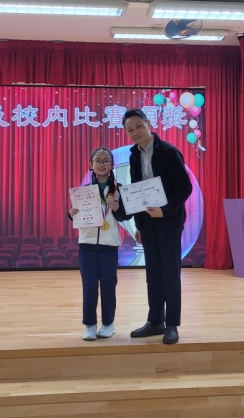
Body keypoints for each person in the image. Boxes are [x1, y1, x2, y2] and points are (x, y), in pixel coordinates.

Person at [122, 108, 193, 345]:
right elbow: (137, 192)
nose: (135, 132)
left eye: (138, 126)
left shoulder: (169, 152)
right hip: (147, 223)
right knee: (153, 275)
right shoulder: (134, 155)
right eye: (130, 130)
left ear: (148, 124)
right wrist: (139, 225)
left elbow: (184, 188)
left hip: (169, 222)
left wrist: (165, 210)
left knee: (170, 273)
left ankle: (171, 324)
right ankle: (155, 321)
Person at [69, 147, 130, 341]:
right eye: (98, 160)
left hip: (109, 245)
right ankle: (90, 325)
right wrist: (71, 214)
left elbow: (125, 216)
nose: (102, 164)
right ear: (91, 164)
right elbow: (76, 215)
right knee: (89, 286)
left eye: (106, 161)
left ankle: (108, 324)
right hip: (87, 245)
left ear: (112, 164)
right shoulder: (84, 191)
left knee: (108, 286)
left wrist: (117, 208)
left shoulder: (119, 189)